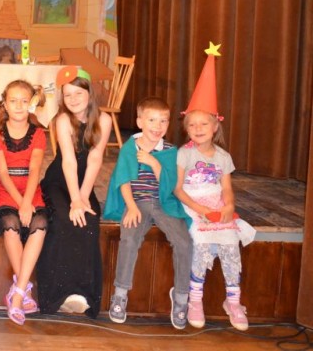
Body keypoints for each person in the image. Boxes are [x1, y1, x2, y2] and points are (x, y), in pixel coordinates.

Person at [172, 43, 254, 330]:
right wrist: (200, 209)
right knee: (201, 244)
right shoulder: (184, 154)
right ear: (186, 128)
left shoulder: (223, 157)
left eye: (203, 124)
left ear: (215, 126)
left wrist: (229, 205)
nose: (197, 129)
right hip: (192, 204)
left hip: (216, 203)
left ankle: (233, 300)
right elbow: (178, 189)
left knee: (230, 243)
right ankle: (195, 299)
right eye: (192, 125)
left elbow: (227, 187)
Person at [103, 97, 192, 329]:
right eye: (152, 120)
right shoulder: (129, 148)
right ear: (140, 122)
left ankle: (181, 297)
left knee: (184, 242)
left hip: (164, 203)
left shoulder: (170, 151)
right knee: (130, 238)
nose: (157, 126)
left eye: (163, 121)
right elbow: (123, 179)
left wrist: (155, 163)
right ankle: (120, 294)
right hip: (137, 202)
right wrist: (131, 206)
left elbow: (170, 184)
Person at [36, 66, 111, 318]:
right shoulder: (63, 120)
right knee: (63, 219)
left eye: (78, 93)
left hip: (84, 182)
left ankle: (82, 293)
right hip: (60, 181)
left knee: (88, 219)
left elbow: (95, 159)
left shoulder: (104, 120)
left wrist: (82, 198)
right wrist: (74, 199)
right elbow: (68, 161)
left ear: (90, 93)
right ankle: (57, 294)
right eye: (67, 95)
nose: (73, 99)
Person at [0, 80, 48, 325]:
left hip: (30, 187)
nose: (19, 106)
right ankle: (24, 294)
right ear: (4, 104)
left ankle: (18, 293)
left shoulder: (39, 134)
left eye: (24, 101)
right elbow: (3, 172)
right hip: (5, 188)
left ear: (32, 103)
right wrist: (20, 203)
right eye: (13, 101)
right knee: (11, 224)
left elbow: (34, 170)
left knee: (40, 223)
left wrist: (27, 201)